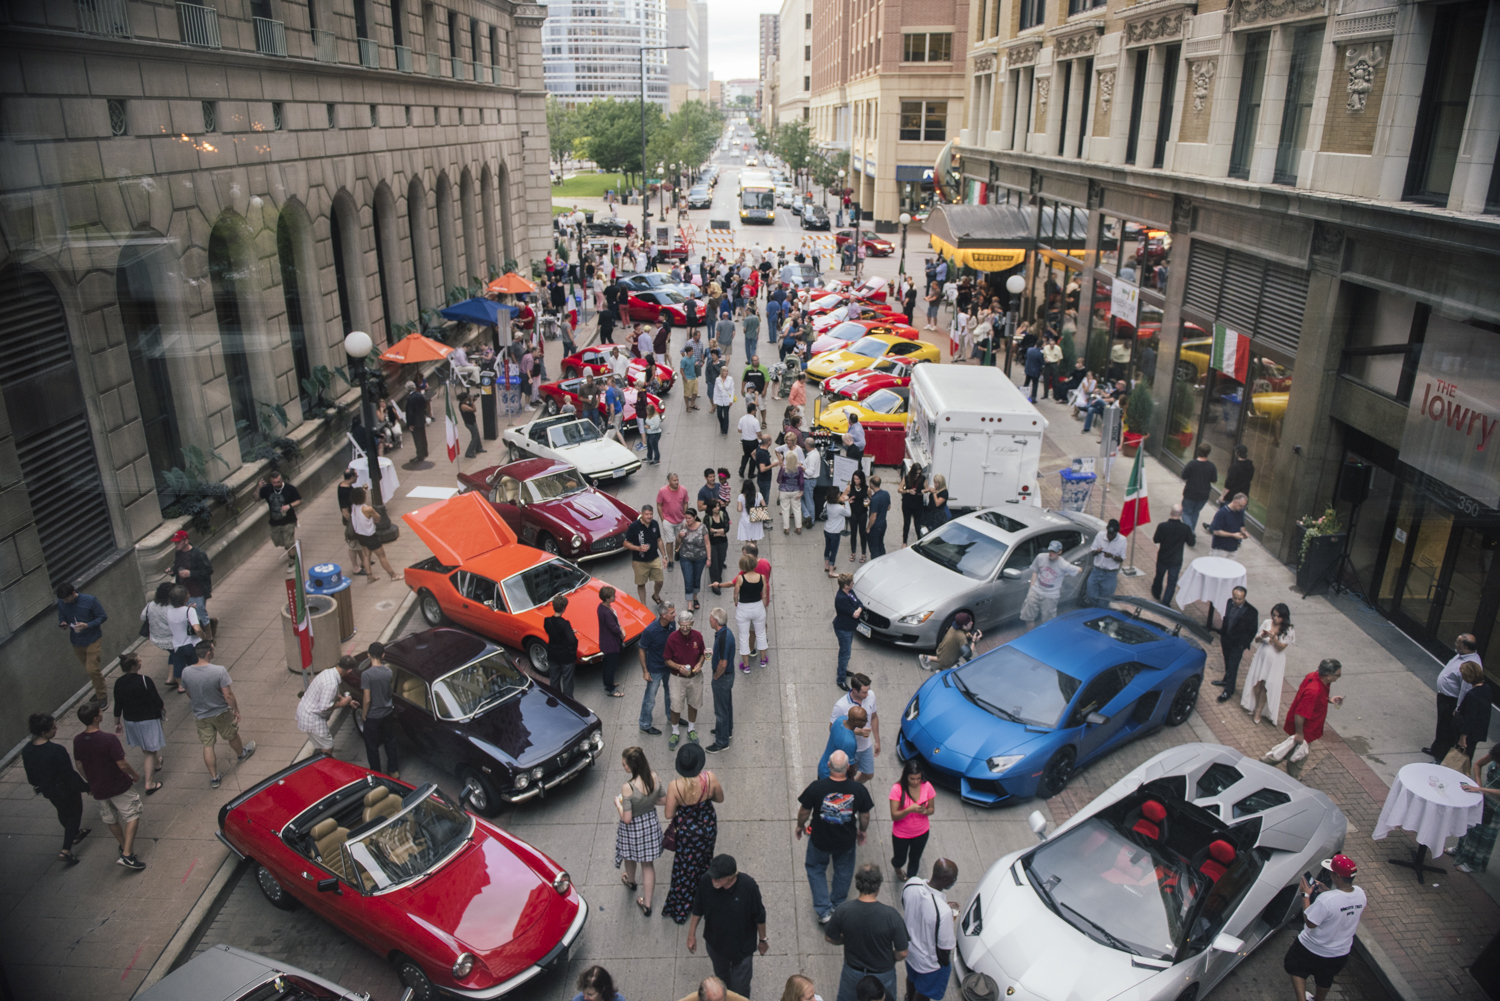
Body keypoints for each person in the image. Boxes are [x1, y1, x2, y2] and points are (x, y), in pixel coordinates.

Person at [798, 750, 874, 924]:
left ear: (828, 765)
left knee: (815, 869)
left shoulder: (816, 788)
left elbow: (804, 811)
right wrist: (862, 830)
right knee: (843, 871)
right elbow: (865, 815)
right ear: (848, 767)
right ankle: (838, 906)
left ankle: (824, 911)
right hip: (845, 841)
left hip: (819, 839)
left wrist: (800, 826)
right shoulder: (858, 789)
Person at [73, 701, 147, 870]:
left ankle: (123, 845)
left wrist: (90, 780)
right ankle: (127, 855)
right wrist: (134, 774)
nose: (101, 713)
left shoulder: (78, 740)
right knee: (132, 815)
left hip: (98, 788)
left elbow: (79, 765)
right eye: (100, 712)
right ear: (96, 718)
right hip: (117, 785)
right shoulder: (109, 739)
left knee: (110, 818)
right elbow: (121, 764)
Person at [1283, 854, 1365, 1001]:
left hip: (1311, 949)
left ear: (1338, 877)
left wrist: (1305, 895)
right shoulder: (1360, 893)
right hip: (1339, 953)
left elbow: (1310, 922)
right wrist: (1327, 890)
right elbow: (1342, 904)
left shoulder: (1326, 900)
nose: (1329, 874)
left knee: (1295, 967)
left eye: (1331, 872)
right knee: (1325, 977)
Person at [688, 855, 768, 998]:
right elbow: (698, 907)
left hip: (742, 950)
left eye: (718, 878)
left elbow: (759, 917)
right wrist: (691, 934)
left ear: (731, 876)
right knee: (722, 982)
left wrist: (762, 940)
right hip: (716, 945)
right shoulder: (707, 881)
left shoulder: (748, 887)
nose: (713, 880)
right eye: (712, 876)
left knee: (740, 989)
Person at [825, 864, 909, 1001]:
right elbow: (902, 952)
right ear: (878, 887)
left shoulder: (843, 910)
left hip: (852, 972)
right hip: (882, 973)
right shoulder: (891, 915)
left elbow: (829, 937)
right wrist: (891, 956)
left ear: (858, 884)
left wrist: (845, 939)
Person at [662, 743, 725, 924]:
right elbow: (720, 799)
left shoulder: (675, 786)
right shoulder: (710, 778)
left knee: (685, 867)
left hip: (687, 833)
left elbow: (668, 814)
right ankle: (704, 892)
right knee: (705, 860)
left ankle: (682, 905)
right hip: (707, 828)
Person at [182, 641, 255, 788]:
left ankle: (214, 777)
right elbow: (228, 694)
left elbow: (188, 690)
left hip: (201, 715)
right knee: (231, 735)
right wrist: (236, 710)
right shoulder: (219, 671)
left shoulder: (186, 672)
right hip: (220, 712)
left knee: (207, 745)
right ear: (209, 653)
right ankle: (241, 754)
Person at [24, 713, 91, 866]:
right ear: (44, 732)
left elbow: (31, 776)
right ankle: (66, 850)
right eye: (53, 728)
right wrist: (85, 787)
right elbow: (68, 774)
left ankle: (74, 834)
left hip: (49, 790)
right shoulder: (56, 750)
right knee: (74, 814)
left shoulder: (27, 750)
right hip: (65, 789)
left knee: (62, 812)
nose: (56, 729)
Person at [1272, 659, 1344, 779]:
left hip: (1303, 729)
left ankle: (1272, 763)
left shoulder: (1314, 676)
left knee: (1290, 752)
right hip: (1305, 731)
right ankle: (1290, 781)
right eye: (1338, 675)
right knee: (1298, 758)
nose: (1339, 677)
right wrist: (1300, 734)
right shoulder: (1314, 691)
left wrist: (1329, 699)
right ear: (1329, 676)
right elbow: (1300, 714)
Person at [615, 746, 666, 916]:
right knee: (647, 864)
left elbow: (627, 818)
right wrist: (648, 802)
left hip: (633, 828)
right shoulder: (654, 777)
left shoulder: (627, 788)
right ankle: (647, 904)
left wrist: (618, 804)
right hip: (650, 824)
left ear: (632, 766)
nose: (623, 767)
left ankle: (631, 881)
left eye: (624, 764)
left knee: (629, 854)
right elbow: (662, 800)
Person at [902, 859, 959, 1001]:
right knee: (924, 993)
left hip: (909, 952)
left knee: (911, 979)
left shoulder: (911, 884)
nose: (954, 881)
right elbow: (944, 950)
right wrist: (943, 965)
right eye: (954, 879)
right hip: (928, 965)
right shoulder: (943, 912)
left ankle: (909, 998)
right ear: (945, 880)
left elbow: (909, 907)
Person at [112, 653, 164, 794]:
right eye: (139, 660)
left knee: (144, 744)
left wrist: (117, 722)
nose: (141, 661)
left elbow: (118, 705)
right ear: (135, 666)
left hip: (130, 721)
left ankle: (157, 763)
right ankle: (149, 783)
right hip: (148, 719)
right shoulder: (144, 680)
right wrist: (162, 708)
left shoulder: (119, 683)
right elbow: (156, 700)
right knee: (151, 750)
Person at [1424, 633, 1481, 763]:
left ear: (1465, 646)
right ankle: (1436, 749)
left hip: (1451, 701)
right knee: (1441, 725)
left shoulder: (1470, 665)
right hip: (1445, 697)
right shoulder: (1461, 655)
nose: (1455, 644)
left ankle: (1440, 757)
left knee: (1446, 730)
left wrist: (1458, 709)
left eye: (1458, 642)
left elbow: (1466, 690)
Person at [1240, 603, 1295, 725]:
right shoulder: (1266, 622)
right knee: (1257, 682)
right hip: (1262, 656)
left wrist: (1274, 638)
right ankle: (1254, 706)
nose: (1275, 618)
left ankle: (1259, 711)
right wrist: (1262, 636)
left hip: (1275, 660)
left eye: (1278, 616)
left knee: (1267, 685)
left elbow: (1281, 648)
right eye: (1274, 615)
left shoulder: (1288, 629)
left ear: (1284, 617)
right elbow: (1257, 640)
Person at [55, 583, 109, 706]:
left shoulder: (90, 600)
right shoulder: (62, 603)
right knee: (90, 670)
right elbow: (61, 616)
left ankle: (102, 695)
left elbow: (102, 616)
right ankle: (99, 687)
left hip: (93, 638)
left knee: (92, 669)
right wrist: (63, 623)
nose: (65, 602)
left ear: (73, 593)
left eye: (67, 599)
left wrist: (87, 625)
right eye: (62, 600)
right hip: (76, 640)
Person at [889, 760, 936, 882]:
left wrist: (925, 811)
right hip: (901, 833)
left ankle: (910, 879)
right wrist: (908, 810)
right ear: (906, 777)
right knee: (900, 859)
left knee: (915, 858)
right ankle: (897, 867)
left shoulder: (927, 786)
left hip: (921, 832)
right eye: (912, 779)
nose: (915, 782)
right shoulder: (897, 789)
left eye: (918, 778)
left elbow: (931, 809)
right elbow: (894, 815)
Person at [1455, 747, 1500, 873]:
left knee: (1483, 835)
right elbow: (1477, 764)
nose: (1497, 764)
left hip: (1496, 806)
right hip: (1482, 797)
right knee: (1470, 825)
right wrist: (1479, 785)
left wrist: (1481, 790)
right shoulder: (1496, 754)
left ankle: (1474, 864)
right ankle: (1460, 850)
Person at [666, 610, 708, 747]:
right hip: (677, 678)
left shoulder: (698, 636)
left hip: (695, 677)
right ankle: (675, 732)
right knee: (676, 706)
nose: (684, 629)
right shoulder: (672, 638)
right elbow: (666, 660)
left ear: (692, 623)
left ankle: (691, 729)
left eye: (687, 626)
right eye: (682, 625)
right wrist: (679, 667)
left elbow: (703, 654)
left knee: (694, 703)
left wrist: (700, 663)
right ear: (678, 623)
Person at [1020, 539, 1082, 630]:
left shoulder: (1063, 564)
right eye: (1050, 551)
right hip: (1036, 590)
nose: (1051, 554)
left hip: (1051, 595)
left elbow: (1079, 570)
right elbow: (1035, 571)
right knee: (1028, 615)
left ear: (1060, 552)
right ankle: (1030, 635)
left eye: (1054, 552)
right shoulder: (1041, 557)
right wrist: (1032, 587)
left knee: (1048, 620)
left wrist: (1065, 574)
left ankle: (1044, 639)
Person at [297, 660, 355, 755]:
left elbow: (331, 693)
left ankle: (321, 760)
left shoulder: (328, 672)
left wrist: (344, 699)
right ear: (348, 671)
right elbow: (324, 707)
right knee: (327, 746)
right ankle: (325, 765)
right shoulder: (331, 684)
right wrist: (341, 704)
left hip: (306, 711)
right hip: (312, 717)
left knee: (322, 744)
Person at [361, 642, 399, 777]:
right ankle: (393, 770)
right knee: (390, 741)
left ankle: (377, 773)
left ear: (368, 655)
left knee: (372, 747)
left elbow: (367, 699)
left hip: (373, 716)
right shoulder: (389, 671)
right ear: (383, 655)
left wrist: (364, 715)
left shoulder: (366, 675)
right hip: (387, 713)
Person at [1214, 586, 1259, 702]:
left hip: (1237, 644)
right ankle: (1226, 679)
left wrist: (1243, 644)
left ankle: (1229, 690)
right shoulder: (1229, 602)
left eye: (1240, 599)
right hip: (1226, 640)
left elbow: (1252, 631)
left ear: (1244, 597)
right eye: (1235, 598)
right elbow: (1227, 619)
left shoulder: (1252, 611)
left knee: (1233, 666)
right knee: (1227, 661)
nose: (1237, 601)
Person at [833, 674, 880, 782]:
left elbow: (873, 717)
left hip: (865, 747)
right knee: (846, 777)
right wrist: (855, 731)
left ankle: (853, 789)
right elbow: (833, 729)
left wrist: (877, 740)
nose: (867, 694)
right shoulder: (841, 706)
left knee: (869, 774)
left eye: (868, 690)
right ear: (854, 690)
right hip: (848, 749)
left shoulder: (871, 696)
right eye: (864, 692)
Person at [349, 487, 399, 581]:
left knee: (366, 556)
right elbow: (378, 517)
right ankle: (393, 575)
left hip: (360, 535)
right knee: (381, 556)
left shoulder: (354, 507)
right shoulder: (368, 509)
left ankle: (369, 576)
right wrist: (374, 519)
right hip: (370, 536)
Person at [169, 528, 214, 631]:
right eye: (175, 543)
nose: (176, 545)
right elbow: (177, 566)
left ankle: (208, 638)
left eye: (179, 542)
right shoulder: (178, 553)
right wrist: (172, 571)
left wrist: (191, 573)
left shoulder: (198, 554)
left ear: (186, 541)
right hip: (183, 591)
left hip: (197, 590)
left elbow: (208, 570)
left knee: (201, 615)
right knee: (188, 616)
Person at [1150, 505, 1194, 607]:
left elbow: (1156, 539)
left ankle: (1156, 593)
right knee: (1172, 582)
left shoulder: (1162, 526)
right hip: (1176, 560)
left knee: (1159, 576)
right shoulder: (1185, 528)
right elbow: (1191, 542)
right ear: (1181, 514)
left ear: (1170, 512)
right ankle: (1166, 602)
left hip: (1163, 557)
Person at [707, 607, 737, 753]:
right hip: (728, 676)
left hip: (723, 678)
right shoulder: (725, 633)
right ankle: (726, 730)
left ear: (716, 621)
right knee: (727, 706)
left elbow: (723, 663)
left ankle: (721, 741)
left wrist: (716, 676)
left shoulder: (723, 638)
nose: (709, 619)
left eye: (711, 618)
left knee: (720, 710)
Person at [733, 554, 769, 674]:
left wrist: (737, 603)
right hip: (758, 606)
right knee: (761, 633)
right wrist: (762, 606)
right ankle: (763, 660)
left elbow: (735, 594)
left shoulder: (740, 578)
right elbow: (764, 594)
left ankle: (746, 665)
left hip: (744, 608)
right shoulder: (761, 577)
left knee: (743, 636)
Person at [624, 504, 665, 607]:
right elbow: (626, 543)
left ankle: (656, 595)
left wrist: (664, 556)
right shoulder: (634, 526)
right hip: (639, 561)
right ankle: (643, 605)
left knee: (659, 581)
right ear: (642, 514)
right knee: (641, 584)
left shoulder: (655, 524)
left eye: (651, 514)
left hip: (654, 558)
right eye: (647, 514)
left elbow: (659, 540)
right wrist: (638, 548)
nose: (649, 516)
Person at [1453, 661, 1491, 770]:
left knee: (1462, 756)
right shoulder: (1486, 688)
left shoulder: (1472, 695)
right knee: (1469, 753)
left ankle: (1460, 774)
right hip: (1478, 730)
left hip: (1469, 732)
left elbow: (1470, 717)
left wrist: (1463, 737)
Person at [257, 469, 303, 556]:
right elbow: (256, 498)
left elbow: (299, 500)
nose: (276, 484)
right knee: (278, 541)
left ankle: (293, 560)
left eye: (278, 482)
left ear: (281, 480)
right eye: (274, 482)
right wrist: (259, 487)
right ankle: (292, 548)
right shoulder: (267, 489)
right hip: (275, 522)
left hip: (289, 520)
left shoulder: (290, 489)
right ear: (271, 481)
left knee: (288, 543)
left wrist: (289, 505)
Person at [1084, 520, 1127, 607]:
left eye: (1112, 534)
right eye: (1109, 534)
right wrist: (1097, 551)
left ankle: (1099, 611)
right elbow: (1092, 552)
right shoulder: (1100, 535)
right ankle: (1096, 608)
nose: (1110, 536)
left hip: (1110, 574)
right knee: (1091, 594)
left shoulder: (1122, 540)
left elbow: (1121, 559)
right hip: (1096, 571)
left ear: (1116, 533)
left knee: (1106, 598)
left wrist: (1112, 556)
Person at [545, 594, 579, 698]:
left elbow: (552, 632)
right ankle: (568, 701)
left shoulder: (547, 621)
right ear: (564, 608)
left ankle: (555, 699)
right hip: (566, 656)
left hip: (552, 654)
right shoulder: (565, 624)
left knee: (554, 680)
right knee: (567, 681)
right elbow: (572, 640)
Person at [820, 706, 865, 780]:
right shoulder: (849, 743)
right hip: (831, 776)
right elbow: (850, 769)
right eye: (864, 720)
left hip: (823, 766)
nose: (866, 722)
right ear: (855, 720)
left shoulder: (840, 720)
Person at [657, 473, 691, 570]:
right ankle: (671, 561)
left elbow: (685, 502)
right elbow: (659, 505)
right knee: (669, 541)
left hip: (680, 520)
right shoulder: (662, 491)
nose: (677, 482)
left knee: (680, 539)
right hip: (668, 521)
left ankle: (677, 551)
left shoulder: (683, 490)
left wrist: (685, 514)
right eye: (674, 480)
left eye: (677, 480)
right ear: (669, 481)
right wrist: (663, 519)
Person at [598, 585, 627, 697]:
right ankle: (611, 689)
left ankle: (608, 683)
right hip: (611, 643)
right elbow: (613, 628)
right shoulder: (607, 612)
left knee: (607, 664)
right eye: (612, 596)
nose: (614, 597)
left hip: (606, 641)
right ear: (607, 598)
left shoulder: (601, 607)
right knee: (611, 666)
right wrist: (621, 634)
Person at [678, 509, 709, 611]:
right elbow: (678, 542)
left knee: (696, 579)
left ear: (695, 517)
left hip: (700, 557)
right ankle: (690, 604)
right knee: (688, 580)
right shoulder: (683, 526)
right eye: (686, 518)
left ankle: (695, 597)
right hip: (685, 557)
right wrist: (679, 536)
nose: (687, 520)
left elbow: (707, 543)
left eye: (689, 518)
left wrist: (709, 558)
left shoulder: (702, 527)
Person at [705, 497, 731, 597]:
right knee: (714, 564)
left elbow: (726, 529)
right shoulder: (707, 518)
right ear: (711, 508)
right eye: (715, 506)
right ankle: (715, 584)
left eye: (718, 506)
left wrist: (714, 531)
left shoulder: (723, 514)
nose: (717, 508)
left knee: (721, 560)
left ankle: (718, 577)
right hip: (712, 544)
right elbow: (708, 532)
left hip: (723, 543)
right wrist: (720, 532)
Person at [825, 491, 852, 576]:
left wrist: (842, 506)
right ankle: (831, 571)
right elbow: (848, 514)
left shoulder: (826, 504)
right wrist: (846, 502)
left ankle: (826, 566)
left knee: (827, 548)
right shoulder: (839, 508)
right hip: (835, 532)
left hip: (827, 529)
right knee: (834, 551)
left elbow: (835, 510)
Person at [778, 451, 806, 535]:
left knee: (785, 509)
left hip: (784, 491)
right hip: (796, 491)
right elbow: (801, 481)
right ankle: (798, 527)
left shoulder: (783, 468)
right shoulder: (799, 469)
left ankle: (786, 528)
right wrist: (801, 491)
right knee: (797, 509)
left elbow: (778, 480)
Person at [899, 465, 926, 547]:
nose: (918, 475)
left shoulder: (923, 479)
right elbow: (899, 489)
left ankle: (919, 540)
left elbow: (927, 488)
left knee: (917, 524)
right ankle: (904, 542)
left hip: (918, 504)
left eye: (919, 473)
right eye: (916, 473)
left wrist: (923, 491)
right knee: (907, 523)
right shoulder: (907, 478)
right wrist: (908, 491)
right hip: (907, 503)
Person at [846, 470, 869, 562]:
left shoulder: (867, 489)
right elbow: (842, 497)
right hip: (853, 513)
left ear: (862, 479)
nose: (856, 481)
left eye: (858, 479)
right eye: (854, 479)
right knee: (853, 533)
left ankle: (863, 553)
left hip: (863, 513)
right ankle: (853, 552)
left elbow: (870, 498)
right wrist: (848, 500)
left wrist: (869, 501)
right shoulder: (850, 488)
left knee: (862, 533)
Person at [866, 476, 890, 559]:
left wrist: (868, 528)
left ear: (871, 484)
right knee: (880, 544)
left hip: (875, 527)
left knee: (874, 548)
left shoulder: (875, 499)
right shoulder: (886, 494)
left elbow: (873, 517)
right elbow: (888, 507)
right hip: (883, 524)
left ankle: (875, 565)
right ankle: (883, 561)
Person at [736, 479, 765, 544]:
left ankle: (748, 553)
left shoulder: (741, 496)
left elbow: (739, 509)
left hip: (745, 520)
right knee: (754, 540)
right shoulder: (758, 495)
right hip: (756, 518)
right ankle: (754, 553)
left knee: (748, 540)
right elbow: (764, 505)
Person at [738, 405, 762, 478]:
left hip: (745, 441)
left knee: (746, 455)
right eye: (755, 410)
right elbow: (758, 433)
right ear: (753, 411)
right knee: (753, 457)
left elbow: (739, 430)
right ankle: (750, 474)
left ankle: (742, 469)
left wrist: (745, 430)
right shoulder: (755, 421)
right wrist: (761, 439)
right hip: (753, 442)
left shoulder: (742, 419)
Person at [460, 391, 483, 458]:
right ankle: (469, 452)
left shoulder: (465, 403)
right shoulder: (463, 405)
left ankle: (479, 448)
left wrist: (473, 400)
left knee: (477, 435)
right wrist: (472, 402)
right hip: (469, 423)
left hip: (472, 421)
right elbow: (474, 409)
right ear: (464, 399)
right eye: (467, 398)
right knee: (475, 437)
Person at [714, 365, 737, 435]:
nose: (726, 373)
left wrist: (731, 400)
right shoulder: (718, 379)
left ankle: (725, 430)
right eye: (724, 371)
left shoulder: (730, 379)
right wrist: (715, 401)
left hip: (727, 400)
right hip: (719, 400)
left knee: (726, 415)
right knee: (719, 415)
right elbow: (716, 390)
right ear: (721, 372)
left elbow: (732, 390)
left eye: (726, 371)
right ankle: (722, 425)